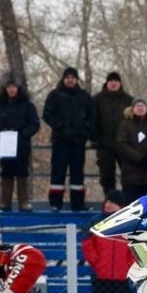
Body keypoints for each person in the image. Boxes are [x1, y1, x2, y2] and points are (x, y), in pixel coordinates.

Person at [82, 192, 135, 293]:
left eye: (113, 202)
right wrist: (97, 264)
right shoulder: (95, 221)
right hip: (101, 277)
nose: (108, 204)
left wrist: (127, 267)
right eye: (107, 201)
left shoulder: (129, 224)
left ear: (121, 206)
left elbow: (134, 249)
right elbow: (87, 245)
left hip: (121, 277)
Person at [43, 67, 96, 211]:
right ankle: (55, 203)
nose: (70, 80)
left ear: (77, 79)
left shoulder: (84, 96)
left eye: (73, 77)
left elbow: (92, 116)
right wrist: (60, 126)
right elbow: (47, 114)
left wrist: (85, 131)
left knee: (78, 173)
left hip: (78, 142)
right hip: (60, 140)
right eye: (67, 77)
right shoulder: (54, 95)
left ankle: (78, 204)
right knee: (57, 172)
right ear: (63, 79)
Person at [0, 74, 40, 211]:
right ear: (5, 88)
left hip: (22, 144)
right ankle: (5, 202)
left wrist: (23, 134)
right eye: (9, 87)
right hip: (4, 145)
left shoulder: (27, 105)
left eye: (14, 87)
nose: (11, 90)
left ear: (18, 88)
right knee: (6, 171)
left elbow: (34, 123)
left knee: (22, 171)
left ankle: (24, 202)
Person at [92, 72, 134, 197]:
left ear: (120, 83)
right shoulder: (97, 99)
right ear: (107, 83)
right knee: (106, 175)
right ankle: (110, 200)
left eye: (116, 81)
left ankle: (128, 201)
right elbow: (92, 119)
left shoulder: (129, 100)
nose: (114, 83)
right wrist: (94, 138)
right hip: (104, 144)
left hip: (124, 145)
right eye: (111, 81)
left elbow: (133, 121)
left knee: (128, 175)